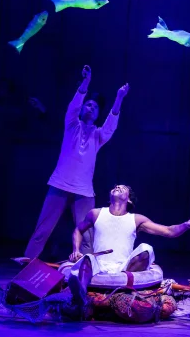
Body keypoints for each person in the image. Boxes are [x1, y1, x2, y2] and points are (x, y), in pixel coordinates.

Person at [25, 65, 130, 259]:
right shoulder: (72, 125)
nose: (91, 108)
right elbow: (73, 105)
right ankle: (24, 272)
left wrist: (119, 98)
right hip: (59, 185)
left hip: (83, 192)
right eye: (88, 105)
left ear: (98, 114)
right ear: (82, 109)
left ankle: (86, 275)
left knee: (87, 238)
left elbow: (111, 125)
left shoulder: (98, 136)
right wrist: (86, 82)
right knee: (42, 231)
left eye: (95, 107)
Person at [68, 184, 190, 307]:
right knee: (87, 258)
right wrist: (76, 250)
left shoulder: (136, 219)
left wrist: (185, 225)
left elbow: (168, 231)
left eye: (123, 187)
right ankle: (80, 296)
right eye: (116, 186)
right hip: (99, 265)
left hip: (125, 267)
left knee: (147, 248)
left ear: (129, 200)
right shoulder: (95, 213)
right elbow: (78, 230)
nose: (118, 187)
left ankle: (126, 288)